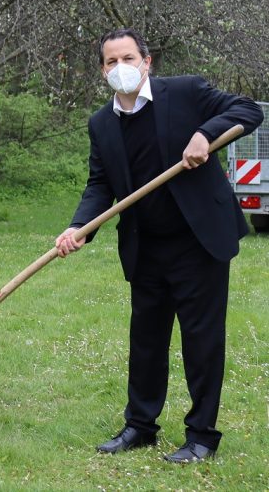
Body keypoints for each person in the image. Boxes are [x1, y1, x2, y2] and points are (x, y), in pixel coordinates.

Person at [55, 29, 262, 463]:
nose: (120, 68)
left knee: (201, 342)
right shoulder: (102, 123)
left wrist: (206, 134)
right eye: (111, 62)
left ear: (147, 61)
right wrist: (78, 227)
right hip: (145, 246)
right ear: (102, 70)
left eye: (127, 58)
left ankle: (201, 436)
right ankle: (141, 426)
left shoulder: (185, 92)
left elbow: (245, 109)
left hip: (197, 243)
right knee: (146, 341)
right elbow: (100, 184)